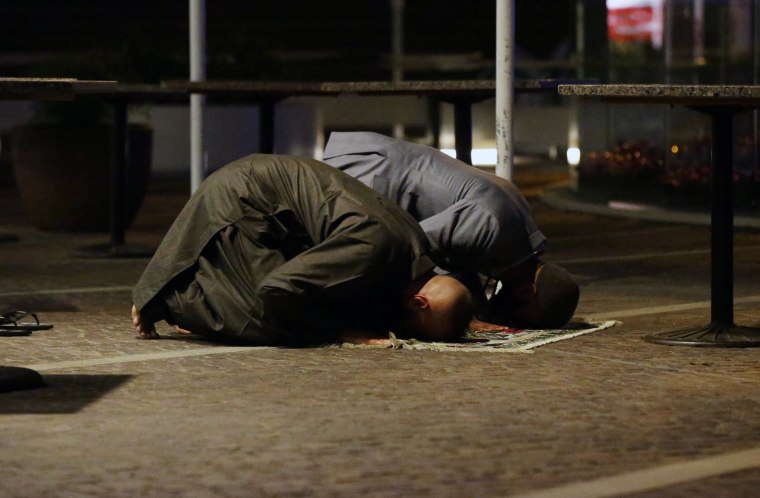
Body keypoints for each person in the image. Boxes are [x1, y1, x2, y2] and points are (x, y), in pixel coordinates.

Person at [131, 154, 474, 347]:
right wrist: (343, 335)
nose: (408, 331)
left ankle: (193, 297)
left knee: (311, 306)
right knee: (266, 319)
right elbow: (278, 290)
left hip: (268, 200)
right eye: (416, 329)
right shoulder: (376, 249)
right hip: (245, 200)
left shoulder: (412, 249)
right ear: (419, 302)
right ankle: (172, 300)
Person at [322, 131, 579, 329]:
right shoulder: (492, 224)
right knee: (374, 257)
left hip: (377, 163)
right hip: (364, 171)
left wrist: (473, 306)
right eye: (522, 318)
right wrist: (461, 313)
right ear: (526, 291)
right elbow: (407, 245)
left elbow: (458, 255)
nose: (514, 320)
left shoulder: (516, 237)